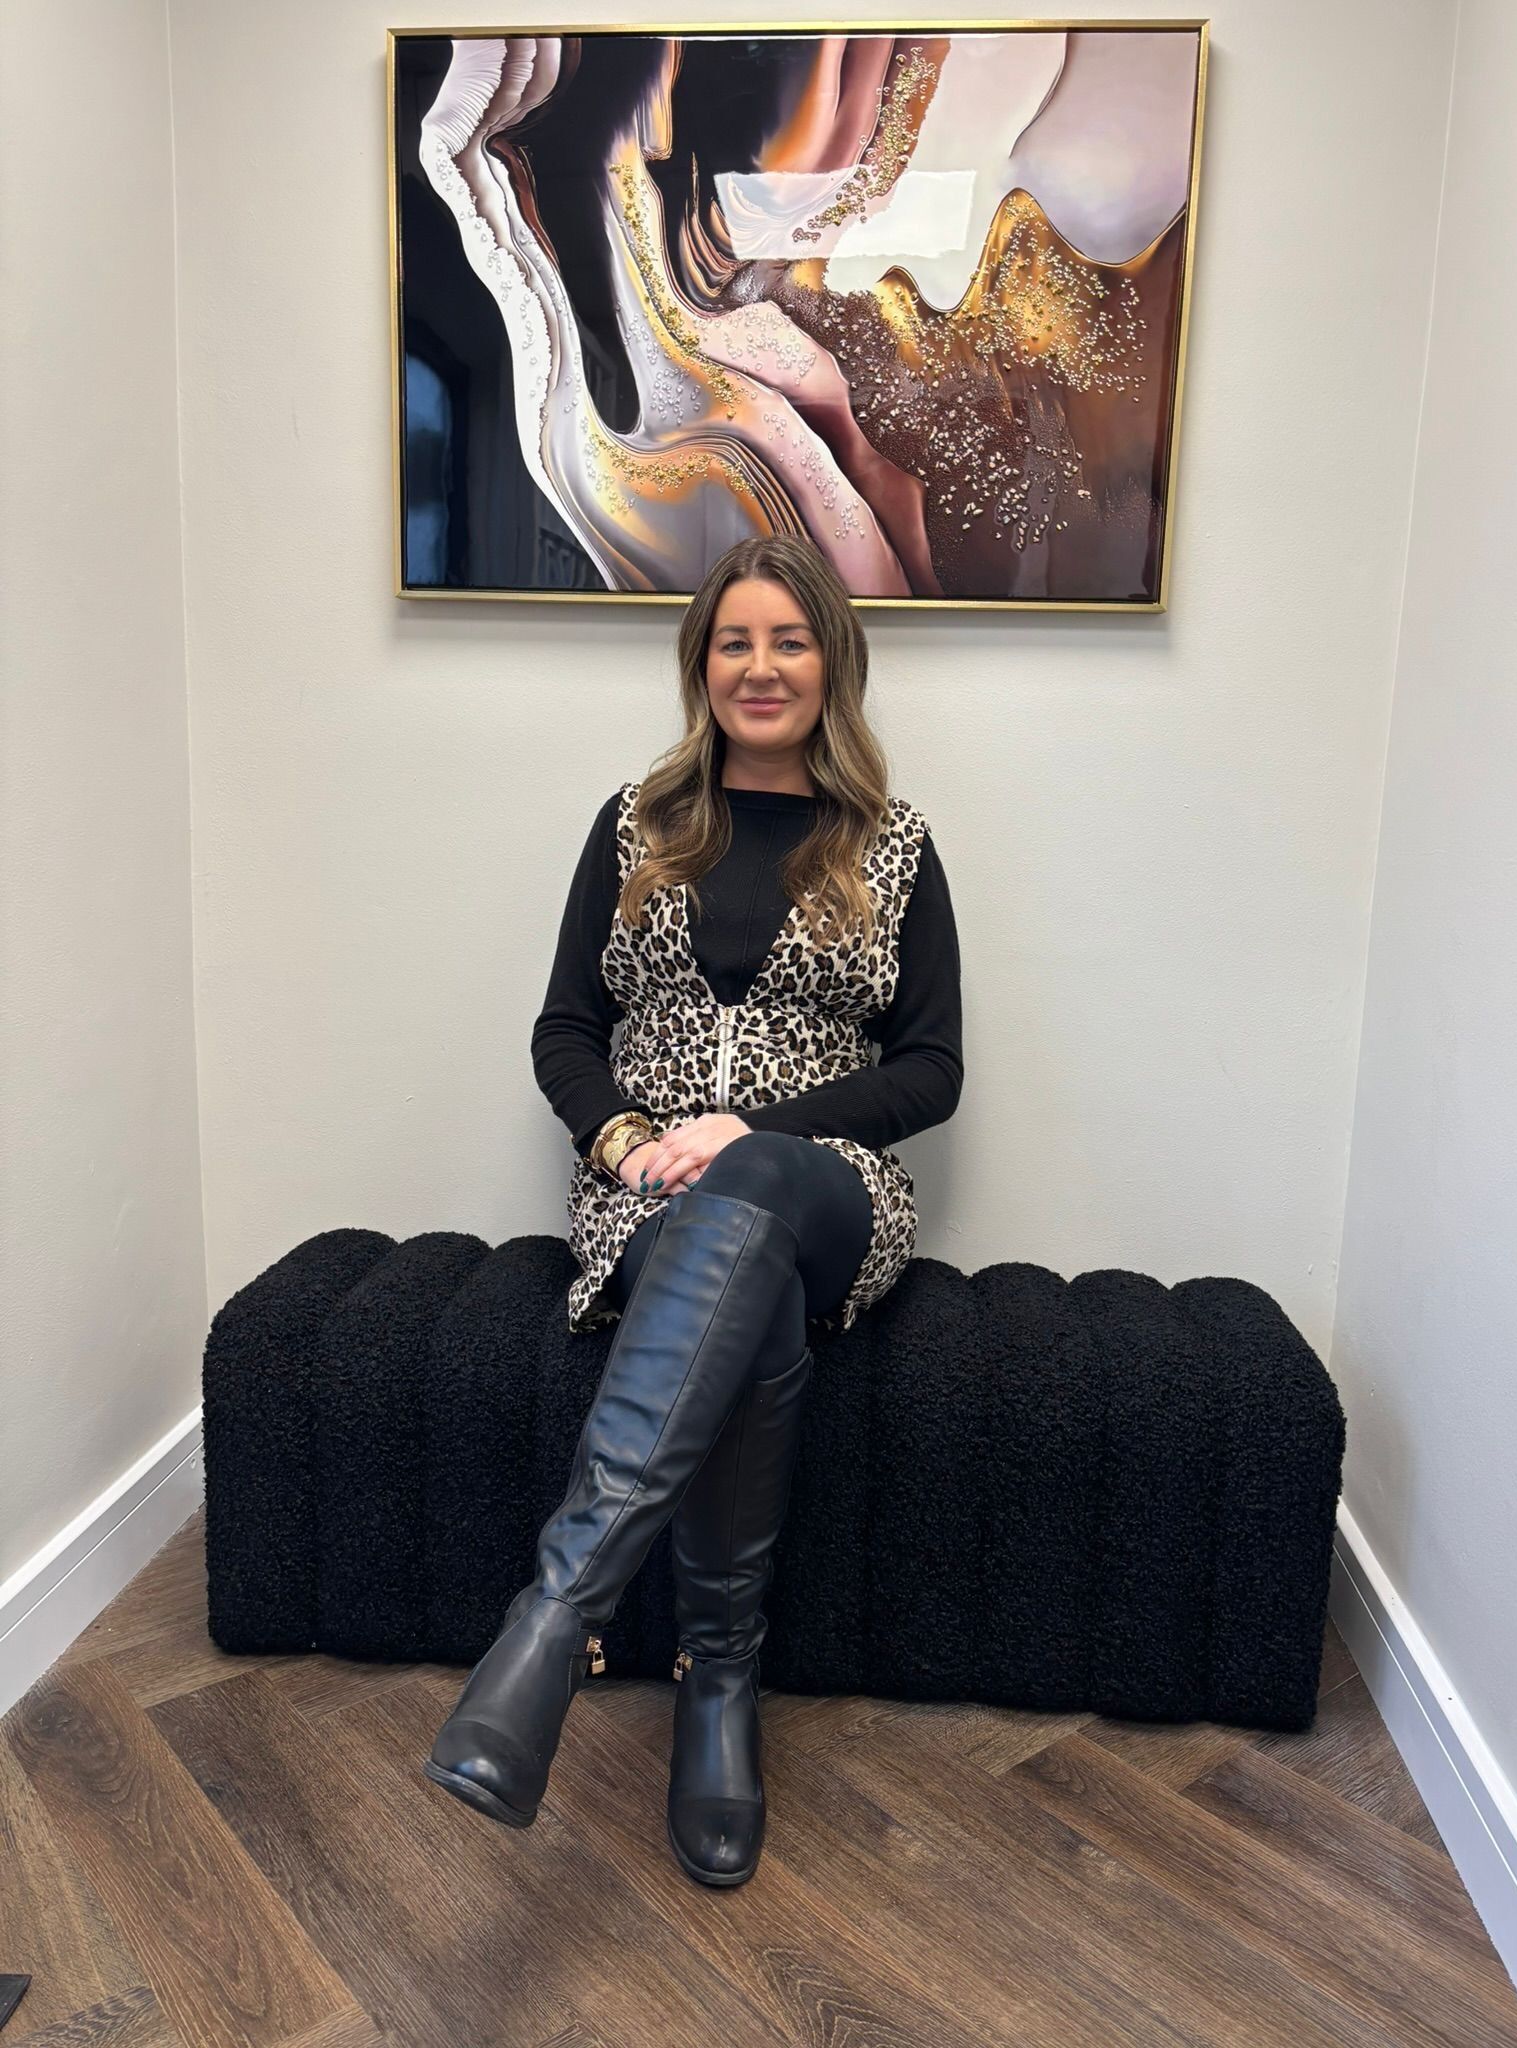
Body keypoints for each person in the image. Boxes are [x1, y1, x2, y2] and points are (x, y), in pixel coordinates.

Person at [423, 534, 964, 1887]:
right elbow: (565, 1028)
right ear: (701, 663)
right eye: (735, 642)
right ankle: (719, 1686)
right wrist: (622, 1141)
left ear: (831, 662)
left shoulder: (895, 844)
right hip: (649, 1196)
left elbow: (931, 1070)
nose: (760, 667)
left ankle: (552, 1619)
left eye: (789, 640)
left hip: (828, 1183)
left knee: (759, 1185)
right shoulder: (635, 825)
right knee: (748, 1293)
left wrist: (753, 1130)